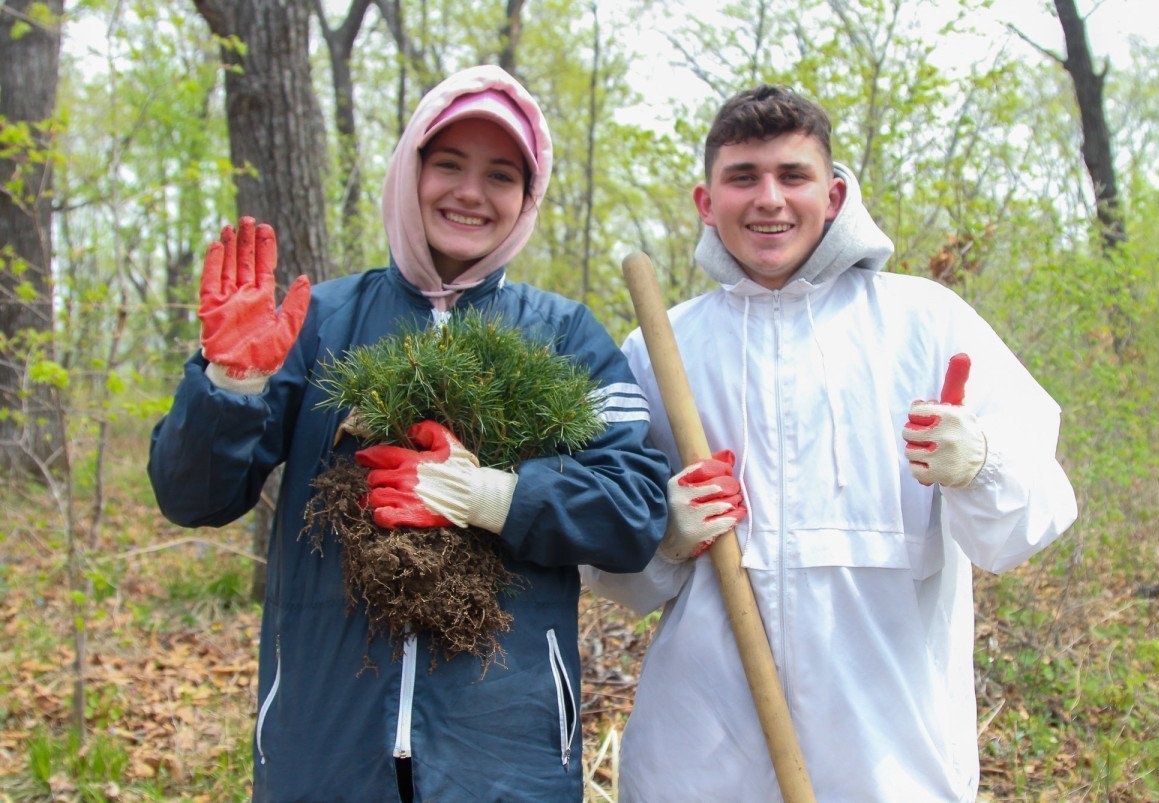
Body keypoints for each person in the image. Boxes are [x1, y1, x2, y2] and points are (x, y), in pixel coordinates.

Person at [148, 65, 670, 801]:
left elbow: (634, 510)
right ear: (408, 170)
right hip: (322, 744)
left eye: (500, 175)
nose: (469, 192)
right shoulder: (318, 322)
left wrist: (489, 495)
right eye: (447, 163)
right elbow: (191, 495)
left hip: (505, 753)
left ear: (527, 197)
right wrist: (231, 382)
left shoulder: (565, 335)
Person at [582, 85, 1078, 801]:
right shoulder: (662, 348)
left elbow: (1028, 523)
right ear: (705, 200)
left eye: (793, 176)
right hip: (702, 754)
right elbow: (615, 574)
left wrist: (983, 463)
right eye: (743, 177)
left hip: (892, 754)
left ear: (836, 194)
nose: (769, 200)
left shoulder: (928, 324)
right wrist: (662, 534)